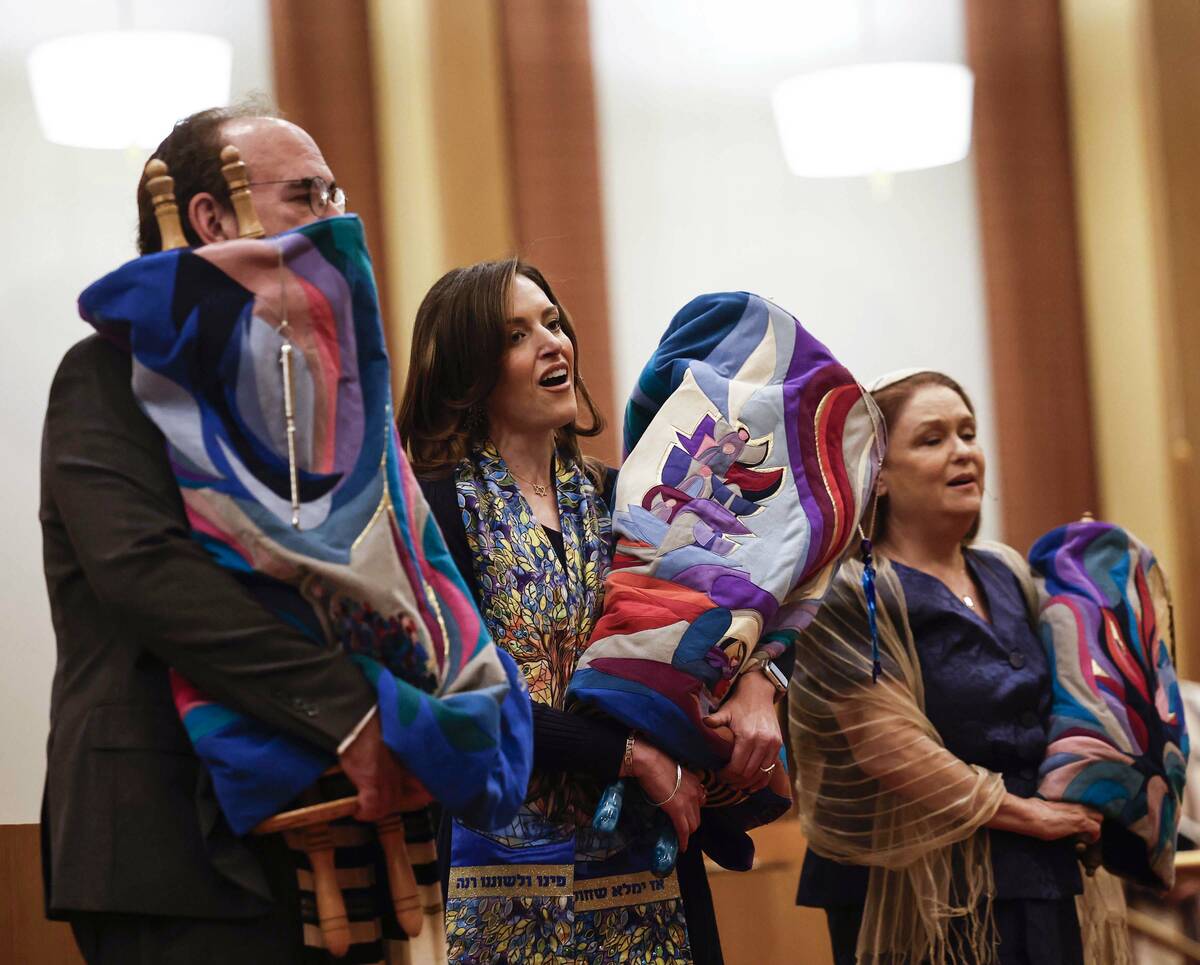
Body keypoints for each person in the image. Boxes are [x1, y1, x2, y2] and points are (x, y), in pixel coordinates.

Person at [41, 104, 417, 963]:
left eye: (337, 192)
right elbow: (146, 574)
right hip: (172, 831)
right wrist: (350, 714)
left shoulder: (315, 397)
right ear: (212, 217)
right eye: (307, 194)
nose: (337, 218)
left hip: (331, 822)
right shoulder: (106, 372)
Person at [397, 261, 787, 963]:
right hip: (506, 869)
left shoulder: (626, 494)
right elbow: (465, 694)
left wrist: (760, 676)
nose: (553, 343)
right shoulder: (430, 507)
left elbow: (718, 610)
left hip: (656, 852)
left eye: (553, 322)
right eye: (517, 334)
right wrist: (627, 755)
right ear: (470, 369)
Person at [790, 369, 1103, 965]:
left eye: (968, 433)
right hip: (915, 892)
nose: (963, 452)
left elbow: (1069, 704)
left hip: (1037, 873)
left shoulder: (1008, 572)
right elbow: (887, 746)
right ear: (877, 474)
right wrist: (1030, 815)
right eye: (932, 439)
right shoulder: (851, 592)